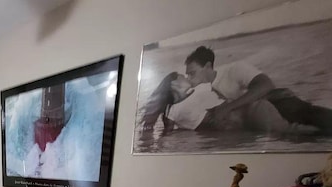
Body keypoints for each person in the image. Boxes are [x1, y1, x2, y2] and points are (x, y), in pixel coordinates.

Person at [184, 46, 332, 134]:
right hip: (260, 118)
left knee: (317, 121)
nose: (190, 79)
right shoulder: (202, 92)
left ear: (208, 66)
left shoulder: (234, 69)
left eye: (192, 73)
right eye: (187, 75)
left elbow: (266, 85)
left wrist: (228, 107)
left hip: (280, 102)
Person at [141, 72, 292, 133]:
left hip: (244, 113)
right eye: (182, 76)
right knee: (289, 130)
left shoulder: (201, 89)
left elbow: (226, 99)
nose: (187, 77)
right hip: (237, 122)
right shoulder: (171, 111)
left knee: (287, 121)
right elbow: (168, 134)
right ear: (173, 85)